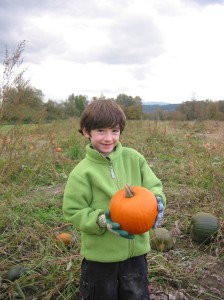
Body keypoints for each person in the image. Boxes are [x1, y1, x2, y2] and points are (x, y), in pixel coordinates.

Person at [63, 99, 166, 300]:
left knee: (136, 295)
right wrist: (101, 220)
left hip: (136, 256)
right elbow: (74, 211)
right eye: (101, 131)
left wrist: (158, 201)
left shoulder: (134, 159)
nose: (108, 138)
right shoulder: (82, 173)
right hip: (100, 259)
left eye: (114, 131)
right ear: (86, 131)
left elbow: (155, 187)